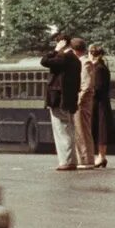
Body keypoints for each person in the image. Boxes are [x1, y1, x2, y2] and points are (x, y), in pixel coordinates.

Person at [41, 31, 81, 171]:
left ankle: (66, 161)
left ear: (62, 43)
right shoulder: (75, 59)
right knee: (68, 129)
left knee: (61, 130)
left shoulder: (63, 57)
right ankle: (71, 160)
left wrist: (56, 50)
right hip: (69, 99)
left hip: (59, 99)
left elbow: (44, 61)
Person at [76, 43, 112, 168]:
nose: (92, 55)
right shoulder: (97, 67)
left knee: (100, 130)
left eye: (95, 53)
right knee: (96, 129)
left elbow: (98, 87)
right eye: (91, 52)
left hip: (99, 103)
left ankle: (101, 156)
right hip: (98, 102)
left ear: (100, 54)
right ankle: (99, 156)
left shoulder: (99, 68)